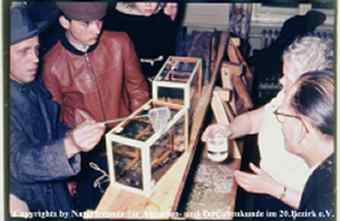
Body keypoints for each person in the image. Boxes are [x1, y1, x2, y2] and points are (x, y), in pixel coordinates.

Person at [202, 35, 333, 212]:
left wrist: (274, 189)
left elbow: (318, 205)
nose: (281, 81)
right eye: (283, 74)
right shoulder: (285, 97)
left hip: (289, 201)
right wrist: (228, 130)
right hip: (265, 186)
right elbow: (253, 120)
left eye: (289, 77)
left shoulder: (317, 130)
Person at [42, 2, 150, 210]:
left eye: (99, 21)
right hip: (85, 156)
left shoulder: (120, 42)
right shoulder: (50, 64)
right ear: (65, 22)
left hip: (127, 141)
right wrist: (67, 169)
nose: (97, 29)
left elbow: (139, 92)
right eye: (86, 23)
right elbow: (54, 123)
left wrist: (139, 134)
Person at [10, 5, 105, 214]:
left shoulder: (33, 86)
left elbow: (50, 131)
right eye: (23, 51)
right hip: (30, 201)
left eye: (36, 49)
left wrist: (73, 131)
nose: (35, 58)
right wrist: (71, 144)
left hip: (56, 192)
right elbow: (19, 162)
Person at [234, 71, 335, 220]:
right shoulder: (324, 172)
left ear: (302, 128)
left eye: (282, 116)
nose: (278, 123)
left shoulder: (321, 205)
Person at [104, 2, 180, 83]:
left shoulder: (165, 13)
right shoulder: (114, 19)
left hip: (159, 78)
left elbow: (169, 51)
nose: (148, 4)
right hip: (130, 81)